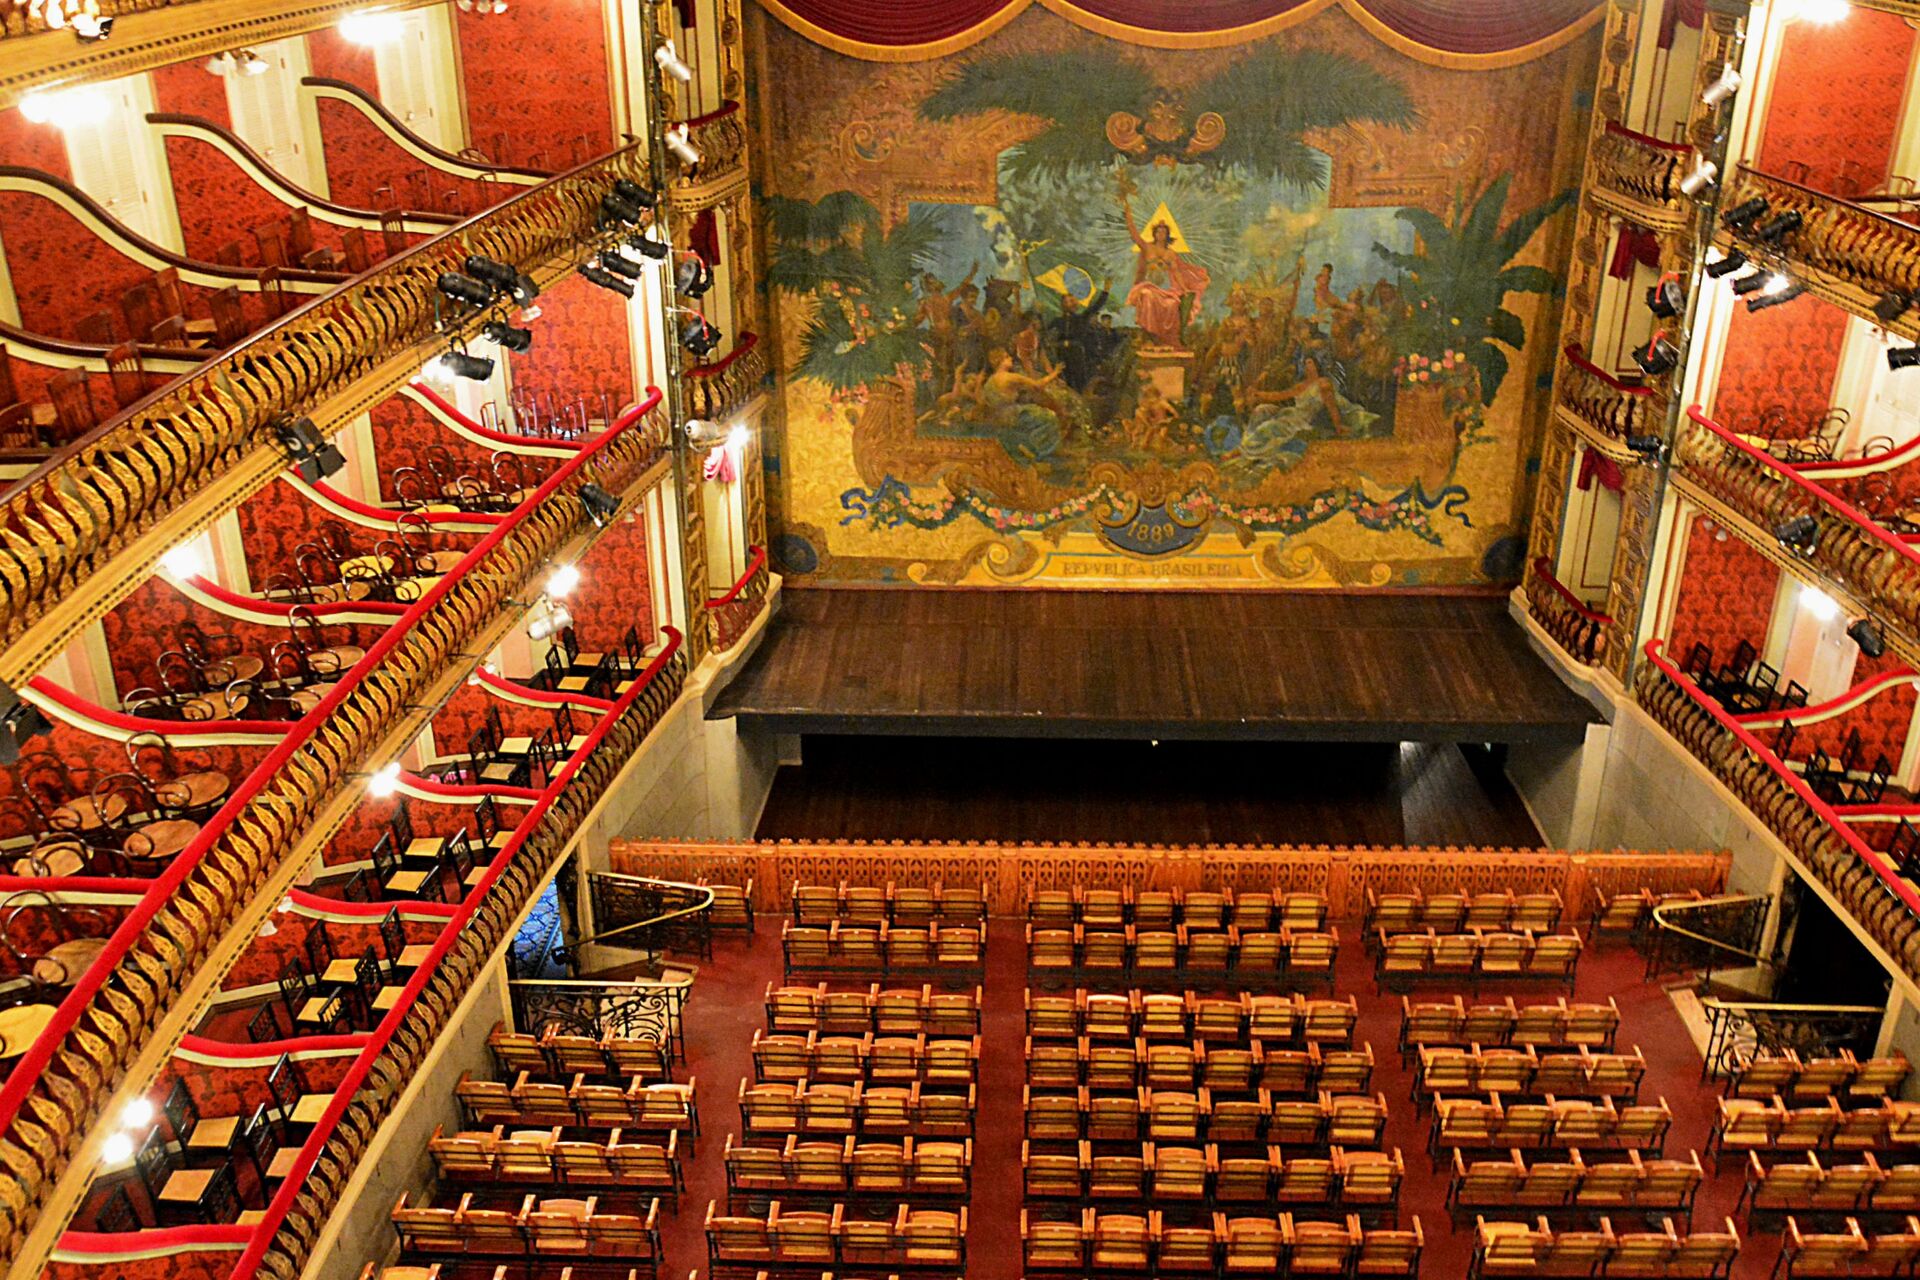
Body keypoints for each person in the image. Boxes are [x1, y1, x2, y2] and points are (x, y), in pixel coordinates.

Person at [1119, 194, 1210, 349]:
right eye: (1158, 232)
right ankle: (1149, 335)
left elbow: (1177, 273)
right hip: (1149, 285)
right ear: (1154, 233)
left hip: (1166, 288)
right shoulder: (1148, 247)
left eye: (1164, 232)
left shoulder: (1171, 253)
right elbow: (1134, 235)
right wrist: (1128, 216)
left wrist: (1185, 288)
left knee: (1173, 303)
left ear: (1167, 235)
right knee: (1147, 296)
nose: (1161, 234)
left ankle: (1165, 338)